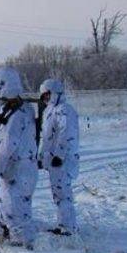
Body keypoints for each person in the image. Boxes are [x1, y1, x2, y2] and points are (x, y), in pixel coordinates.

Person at [0, 67, 38, 247]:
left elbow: (7, 144)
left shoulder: (15, 114)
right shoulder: (21, 107)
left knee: (14, 206)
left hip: (17, 168)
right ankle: (13, 235)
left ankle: (21, 243)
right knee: (16, 205)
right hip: (22, 166)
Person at [38, 79, 80, 235]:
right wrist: (43, 157)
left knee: (63, 193)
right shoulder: (50, 111)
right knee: (58, 193)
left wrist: (60, 155)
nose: (45, 99)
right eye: (44, 96)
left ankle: (68, 227)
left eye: (47, 95)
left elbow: (66, 134)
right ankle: (63, 223)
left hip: (62, 160)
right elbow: (48, 137)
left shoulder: (64, 110)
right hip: (54, 160)